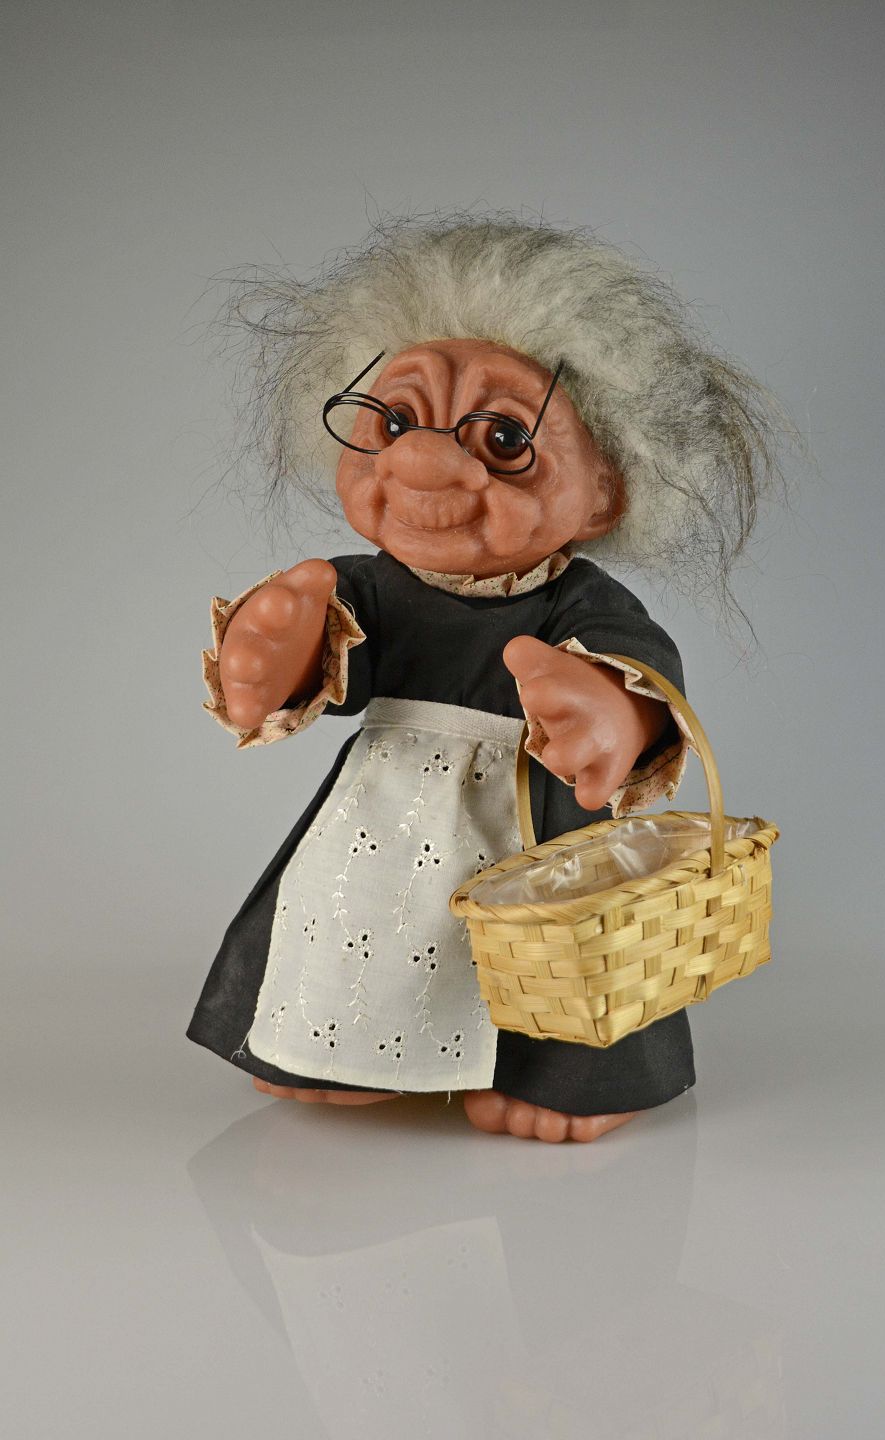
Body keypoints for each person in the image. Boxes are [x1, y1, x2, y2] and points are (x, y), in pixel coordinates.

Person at [187, 216, 783, 1142]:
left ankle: (574, 1080)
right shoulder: (369, 588)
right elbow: (336, 666)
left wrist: (609, 716)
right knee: (359, 918)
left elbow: (638, 671)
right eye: (394, 421)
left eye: (503, 437)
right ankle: (344, 1049)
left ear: (607, 489)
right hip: (387, 815)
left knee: (556, 946)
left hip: (538, 814)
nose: (421, 461)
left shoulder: (578, 603)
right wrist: (279, 649)